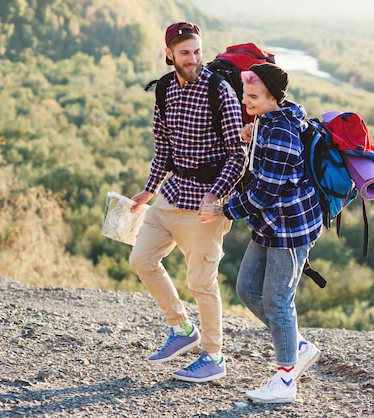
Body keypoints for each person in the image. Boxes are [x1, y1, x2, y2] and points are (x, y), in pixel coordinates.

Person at [129, 21, 246, 383]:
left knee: (202, 283)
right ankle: (182, 329)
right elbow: (163, 146)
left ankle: (214, 356)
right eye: (184, 53)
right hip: (173, 193)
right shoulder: (163, 89)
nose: (193, 59)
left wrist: (216, 194)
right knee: (142, 259)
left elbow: (238, 154)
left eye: (197, 51)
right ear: (169, 54)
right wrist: (149, 189)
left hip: (206, 205)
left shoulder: (220, 91)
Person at [200, 63, 322, 403]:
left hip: (289, 228)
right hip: (269, 223)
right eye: (244, 94)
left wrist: (223, 209)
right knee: (247, 289)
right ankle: (297, 345)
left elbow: (264, 193)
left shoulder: (282, 132)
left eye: (253, 96)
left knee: (277, 301)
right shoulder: (269, 120)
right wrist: (253, 134)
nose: (245, 101)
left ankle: (285, 382)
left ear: (273, 97)